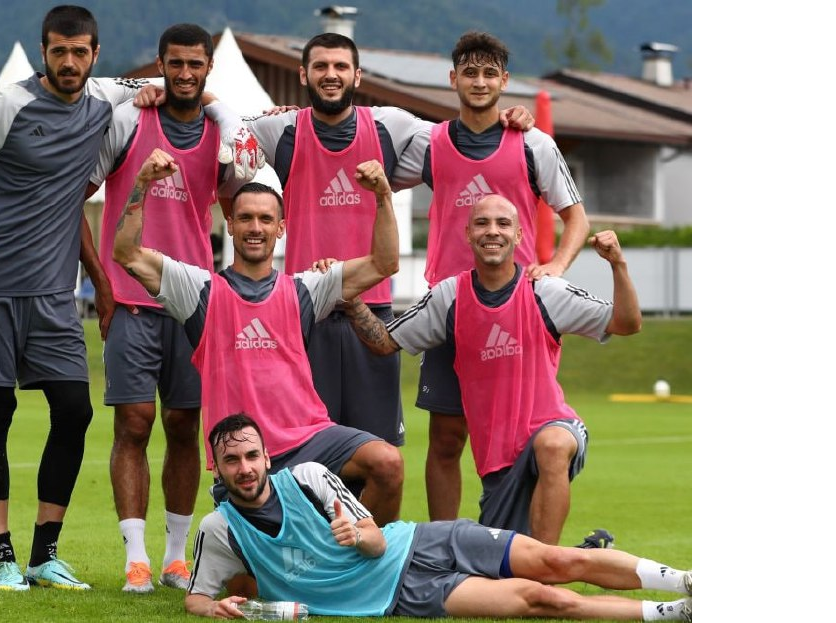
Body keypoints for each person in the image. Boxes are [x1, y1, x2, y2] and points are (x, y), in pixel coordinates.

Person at [0, 5, 160, 591]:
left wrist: (241, 120)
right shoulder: (3, 105)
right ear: (43, 52)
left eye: (79, 52)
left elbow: (174, 81)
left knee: (75, 411)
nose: (69, 62)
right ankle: (1, 557)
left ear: (95, 54)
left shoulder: (105, 97)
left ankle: (45, 554)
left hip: (52, 295)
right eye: (58, 51)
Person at [209, 32, 534, 448]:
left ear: (357, 76)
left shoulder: (390, 126)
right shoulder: (280, 129)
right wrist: (207, 101)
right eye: (321, 66)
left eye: (340, 67)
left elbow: (464, 138)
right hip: (304, 313)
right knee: (303, 447)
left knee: (379, 453)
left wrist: (507, 116)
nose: (331, 74)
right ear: (304, 75)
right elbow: (223, 140)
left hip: (373, 313)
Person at [112, 151, 404, 524]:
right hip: (243, 454)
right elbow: (126, 253)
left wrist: (383, 195)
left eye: (266, 219)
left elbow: (384, 262)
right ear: (230, 225)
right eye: (246, 218)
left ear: (280, 228)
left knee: (388, 462)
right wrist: (142, 182)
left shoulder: (305, 289)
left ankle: (362, 558)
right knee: (256, 564)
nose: (255, 227)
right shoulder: (199, 291)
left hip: (309, 439)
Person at [186, 414, 692, 620]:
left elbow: (375, 541)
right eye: (232, 460)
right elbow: (196, 598)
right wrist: (216, 609)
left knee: (555, 560)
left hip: (422, 541)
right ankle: (673, 613)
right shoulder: (220, 528)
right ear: (218, 466)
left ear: (267, 457)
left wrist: (356, 534)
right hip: (400, 597)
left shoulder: (308, 477)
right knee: (541, 598)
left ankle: (682, 581)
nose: (244, 468)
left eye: (251, 456)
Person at [345, 195, 641, 546]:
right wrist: (349, 296)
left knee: (552, 446)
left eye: (503, 223)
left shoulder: (543, 290)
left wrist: (618, 264)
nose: (492, 231)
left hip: (555, 428)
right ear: (468, 233)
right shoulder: (450, 296)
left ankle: (547, 567)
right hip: (498, 466)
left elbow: (626, 323)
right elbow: (384, 342)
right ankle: (589, 552)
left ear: (518, 235)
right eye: (482, 223)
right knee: (498, 568)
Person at [81, 24, 259, 594]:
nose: (184, 73)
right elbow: (72, 198)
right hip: (130, 300)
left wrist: (236, 289)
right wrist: (100, 284)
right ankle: (135, 558)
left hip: (193, 303)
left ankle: (176, 559)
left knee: (185, 426)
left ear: (208, 68)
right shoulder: (128, 121)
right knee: (133, 423)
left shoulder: (222, 133)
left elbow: (241, 209)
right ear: (160, 65)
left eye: (194, 64)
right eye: (175, 64)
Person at [418, 32, 595, 539]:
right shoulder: (429, 142)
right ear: (453, 79)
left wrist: (555, 266)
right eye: (470, 73)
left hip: (516, 313)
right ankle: (445, 550)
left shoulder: (534, 144)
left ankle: (533, 551)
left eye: (489, 73)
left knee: (525, 439)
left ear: (504, 81)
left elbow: (576, 218)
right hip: (450, 310)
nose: (479, 82)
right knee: (446, 439)